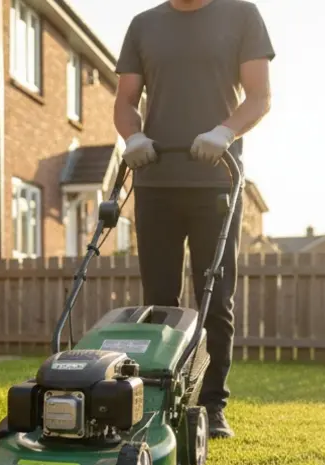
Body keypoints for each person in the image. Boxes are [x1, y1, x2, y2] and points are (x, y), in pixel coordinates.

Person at [114, 0, 274, 439]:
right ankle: (160, 401)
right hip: (155, 180)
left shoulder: (241, 15)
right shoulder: (144, 25)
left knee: (215, 298)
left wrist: (224, 132)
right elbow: (125, 100)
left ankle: (212, 405)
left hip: (215, 182)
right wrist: (133, 136)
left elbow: (259, 96)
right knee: (160, 302)